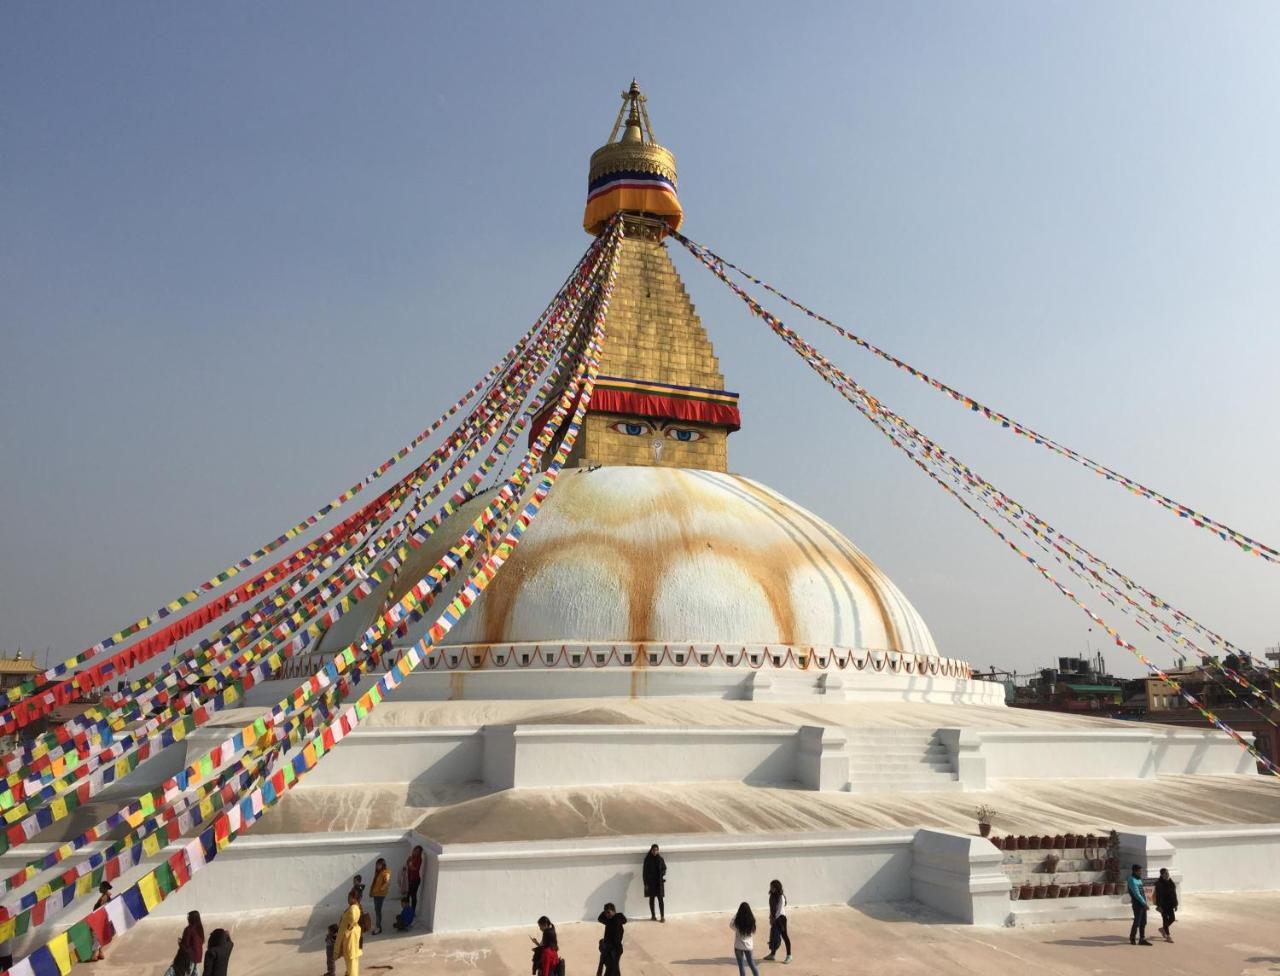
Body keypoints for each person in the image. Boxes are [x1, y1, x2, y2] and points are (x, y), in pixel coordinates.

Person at [335, 892, 364, 976]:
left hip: (350, 939)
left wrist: (346, 930)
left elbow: (352, 921)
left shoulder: (353, 908)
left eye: (349, 897)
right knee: (352, 962)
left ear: (354, 898)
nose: (348, 899)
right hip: (351, 938)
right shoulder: (354, 907)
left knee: (351, 962)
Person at [763, 880, 791, 964]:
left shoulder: (781, 897)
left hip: (781, 919)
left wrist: (774, 919)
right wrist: (770, 918)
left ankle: (789, 955)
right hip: (775, 918)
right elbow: (771, 908)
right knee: (773, 936)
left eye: (772, 887)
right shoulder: (771, 896)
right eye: (771, 886)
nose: (771, 888)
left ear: (777, 887)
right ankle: (772, 955)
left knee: (784, 936)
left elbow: (779, 910)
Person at [595, 902, 626, 976]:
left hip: (614, 950)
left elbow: (617, 939)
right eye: (606, 913)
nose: (607, 915)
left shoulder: (617, 921)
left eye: (608, 912)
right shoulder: (609, 920)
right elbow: (600, 918)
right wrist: (606, 910)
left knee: (611, 969)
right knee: (613, 969)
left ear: (614, 911)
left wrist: (608, 947)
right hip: (609, 949)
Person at [731, 902, 760, 976]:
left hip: (738, 946)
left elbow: (731, 925)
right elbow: (753, 931)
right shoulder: (751, 920)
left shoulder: (737, 920)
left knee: (741, 966)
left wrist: (736, 915)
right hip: (748, 946)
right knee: (752, 964)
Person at [1128, 863, 1152, 946]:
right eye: (1139, 871)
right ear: (1134, 871)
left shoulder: (1139, 879)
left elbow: (1143, 892)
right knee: (1137, 921)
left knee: (1143, 922)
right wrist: (1144, 903)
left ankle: (1142, 939)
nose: (1141, 872)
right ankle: (1132, 937)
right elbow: (1137, 894)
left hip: (1143, 903)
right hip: (1137, 904)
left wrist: (1147, 901)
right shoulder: (1131, 879)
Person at [89, 882, 113, 961]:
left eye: (100, 887)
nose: (99, 888)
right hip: (103, 919)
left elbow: (101, 909)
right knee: (100, 935)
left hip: (100, 919)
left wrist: (95, 920)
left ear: (104, 888)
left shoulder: (104, 897)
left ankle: (95, 955)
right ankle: (100, 953)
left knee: (95, 935)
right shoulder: (106, 895)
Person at [643, 844, 667, 922]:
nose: (655, 851)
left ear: (658, 850)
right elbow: (644, 872)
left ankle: (662, 917)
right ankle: (653, 916)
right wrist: (645, 884)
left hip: (659, 883)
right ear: (651, 850)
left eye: (656, 850)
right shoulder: (647, 860)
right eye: (654, 850)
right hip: (650, 883)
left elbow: (664, 868)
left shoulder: (660, 859)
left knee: (660, 900)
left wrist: (662, 873)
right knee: (652, 899)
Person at [1154, 867, 1179, 943]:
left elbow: (1174, 894)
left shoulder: (1171, 882)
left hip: (1170, 904)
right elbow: (1158, 896)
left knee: (1172, 918)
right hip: (1163, 905)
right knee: (1165, 920)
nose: (1168, 874)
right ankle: (1168, 936)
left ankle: (1162, 929)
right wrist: (1159, 906)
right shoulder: (1159, 884)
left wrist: (1175, 904)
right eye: (1166, 873)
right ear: (1162, 875)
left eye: (1168, 873)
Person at [179, 910, 205, 975]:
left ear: (191, 919)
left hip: (190, 956)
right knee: (195, 971)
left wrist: (180, 943)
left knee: (188, 973)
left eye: (189, 917)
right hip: (198, 956)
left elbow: (186, 944)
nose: (187, 919)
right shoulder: (200, 929)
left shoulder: (189, 929)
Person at [370, 858, 392, 935]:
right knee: (377, 910)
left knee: (378, 911)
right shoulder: (378, 873)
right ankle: (378, 926)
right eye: (377, 864)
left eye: (379, 864)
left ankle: (378, 927)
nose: (377, 866)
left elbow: (386, 882)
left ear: (383, 865)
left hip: (380, 895)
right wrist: (372, 892)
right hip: (376, 894)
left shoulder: (386, 872)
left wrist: (381, 889)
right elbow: (374, 883)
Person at [406, 845, 424, 915]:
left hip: (415, 880)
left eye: (417, 851)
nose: (415, 852)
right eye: (415, 850)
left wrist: (410, 865)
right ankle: (407, 910)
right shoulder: (411, 858)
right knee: (408, 895)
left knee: (413, 895)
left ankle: (412, 911)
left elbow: (415, 869)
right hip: (410, 879)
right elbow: (408, 865)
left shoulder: (419, 859)